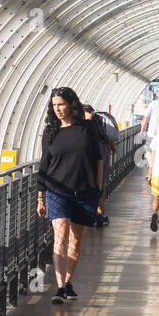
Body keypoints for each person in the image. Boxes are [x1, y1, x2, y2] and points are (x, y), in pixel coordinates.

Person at [37, 87, 104, 303]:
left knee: (76, 240)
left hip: (84, 191)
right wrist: (40, 196)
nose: (57, 109)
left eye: (61, 105)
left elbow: (98, 159)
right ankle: (59, 288)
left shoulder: (86, 128)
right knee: (61, 234)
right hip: (57, 191)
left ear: (71, 105)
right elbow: (44, 164)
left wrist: (98, 190)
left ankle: (67, 282)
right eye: (54, 105)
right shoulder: (50, 132)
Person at [84, 103, 119, 226]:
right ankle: (101, 213)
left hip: (93, 155)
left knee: (90, 185)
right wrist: (111, 144)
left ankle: (92, 213)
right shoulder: (99, 123)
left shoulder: (86, 124)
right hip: (103, 151)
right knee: (102, 184)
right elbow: (106, 136)